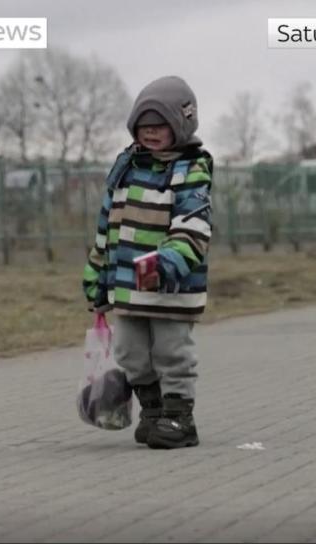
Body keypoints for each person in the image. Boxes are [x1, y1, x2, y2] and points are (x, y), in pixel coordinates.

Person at [81, 76, 214, 449]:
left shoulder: (191, 170)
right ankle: (152, 412)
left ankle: (179, 417)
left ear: (181, 126)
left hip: (171, 284)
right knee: (128, 352)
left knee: (172, 352)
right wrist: (97, 271)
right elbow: (108, 225)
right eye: (144, 127)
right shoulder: (125, 166)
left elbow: (194, 227)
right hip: (127, 283)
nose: (151, 134)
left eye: (160, 127)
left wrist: (168, 261)